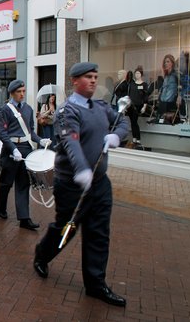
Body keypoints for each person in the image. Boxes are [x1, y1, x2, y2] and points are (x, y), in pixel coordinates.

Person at [33, 62, 129, 307]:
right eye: (88, 77)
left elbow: (122, 121)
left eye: (96, 76)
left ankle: (95, 284)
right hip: (73, 183)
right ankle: (42, 254)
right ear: (75, 81)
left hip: (99, 183)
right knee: (66, 229)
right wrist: (82, 170)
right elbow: (71, 142)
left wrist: (117, 134)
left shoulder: (100, 107)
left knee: (99, 233)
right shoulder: (67, 111)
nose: (94, 81)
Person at [0, 80, 51, 230]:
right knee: (6, 182)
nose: (22, 94)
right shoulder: (5, 110)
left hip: (26, 149)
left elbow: (30, 131)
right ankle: (1, 207)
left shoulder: (28, 109)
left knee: (23, 183)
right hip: (11, 150)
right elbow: (2, 132)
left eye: (23, 91)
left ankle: (24, 218)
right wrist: (13, 149)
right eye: (19, 92)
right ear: (12, 93)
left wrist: (41, 139)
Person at [157, 54, 181, 120]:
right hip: (163, 104)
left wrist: (179, 97)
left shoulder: (176, 74)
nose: (166, 63)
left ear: (172, 63)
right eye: (165, 62)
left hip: (171, 104)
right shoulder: (166, 76)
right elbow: (163, 88)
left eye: (168, 61)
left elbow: (182, 86)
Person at [131, 67, 148, 145]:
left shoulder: (144, 84)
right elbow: (129, 94)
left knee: (134, 121)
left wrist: (144, 106)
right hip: (131, 105)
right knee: (132, 122)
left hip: (138, 106)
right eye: (136, 73)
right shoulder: (132, 84)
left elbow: (145, 96)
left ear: (141, 74)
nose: (137, 75)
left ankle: (137, 138)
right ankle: (134, 137)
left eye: (138, 73)